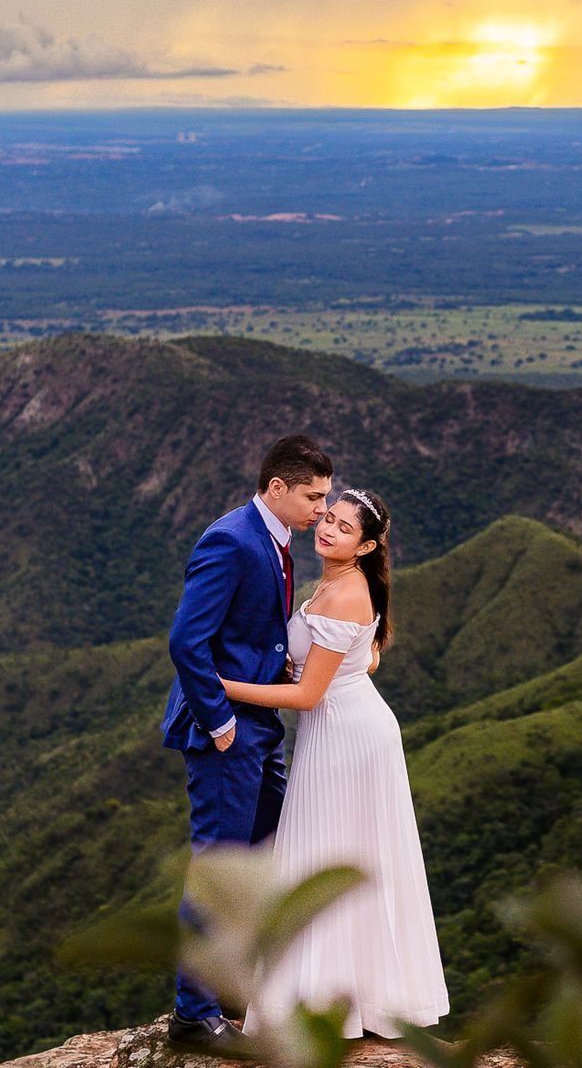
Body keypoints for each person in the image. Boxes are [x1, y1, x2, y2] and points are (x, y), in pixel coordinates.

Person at [225, 487, 450, 1041]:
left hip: (346, 738)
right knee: (333, 853)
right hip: (343, 727)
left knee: (327, 855)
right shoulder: (342, 583)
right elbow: (364, 657)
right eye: (327, 517)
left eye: (344, 528)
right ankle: (335, 997)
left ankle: (329, 1002)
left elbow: (307, 698)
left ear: (366, 545)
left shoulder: (348, 594)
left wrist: (223, 687)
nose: (327, 528)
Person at [161, 434, 333, 1055]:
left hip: (262, 725)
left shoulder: (278, 540)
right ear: (277, 488)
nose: (322, 508)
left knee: (262, 858)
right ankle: (192, 1016)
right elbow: (187, 641)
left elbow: (250, 634)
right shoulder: (231, 540)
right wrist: (219, 721)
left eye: (327, 497)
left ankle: (230, 988)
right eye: (313, 496)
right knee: (221, 868)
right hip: (225, 731)